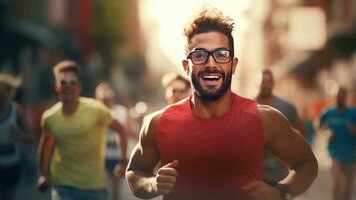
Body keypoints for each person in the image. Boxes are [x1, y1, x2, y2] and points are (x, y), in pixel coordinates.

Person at [126, 8, 317, 200]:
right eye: (200, 55)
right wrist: (152, 184)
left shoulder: (265, 119)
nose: (211, 63)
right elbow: (134, 172)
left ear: (233, 65)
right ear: (186, 66)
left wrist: (280, 192)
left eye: (221, 54)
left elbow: (307, 163)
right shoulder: (157, 123)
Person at [37, 60, 128, 200]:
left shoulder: (96, 109)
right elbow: (46, 147)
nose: (68, 85)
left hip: (94, 188)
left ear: (79, 87)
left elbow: (121, 130)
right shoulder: (50, 118)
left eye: (73, 82)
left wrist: (122, 161)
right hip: (62, 187)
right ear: (56, 86)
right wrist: (42, 174)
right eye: (63, 82)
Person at [255, 69, 306, 185]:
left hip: (281, 173)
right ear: (257, 83)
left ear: (273, 83)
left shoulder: (286, 107)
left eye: (268, 81)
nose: (265, 85)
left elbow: (300, 129)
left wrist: (293, 153)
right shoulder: (247, 106)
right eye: (262, 81)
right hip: (255, 174)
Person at [95, 82, 137, 200]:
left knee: (115, 194)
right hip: (100, 157)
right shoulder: (95, 112)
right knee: (101, 192)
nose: (106, 97)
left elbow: (133, 131)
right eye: (103, 94)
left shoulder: (122, 111)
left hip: (119, 157)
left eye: (108, 94)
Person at [0, 73, 32, 200]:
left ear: (9, 93)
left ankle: (29, 168)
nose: (0, 96)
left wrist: (18, 134)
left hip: (11, 165)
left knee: (7, 197)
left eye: (2, 92)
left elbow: (30, 138)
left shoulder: (16, 110)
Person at [319, 87, 356, 200]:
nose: (340, 98)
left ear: (346, 98)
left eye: (343, 96)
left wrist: (354, 130)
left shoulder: (353, 113)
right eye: (338, 96)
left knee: (348, 185)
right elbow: (319, 125)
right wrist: (326, 133)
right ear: (335, 97)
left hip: (351, 154)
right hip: (335, 153)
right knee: (340, 181)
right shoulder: (328, 112)